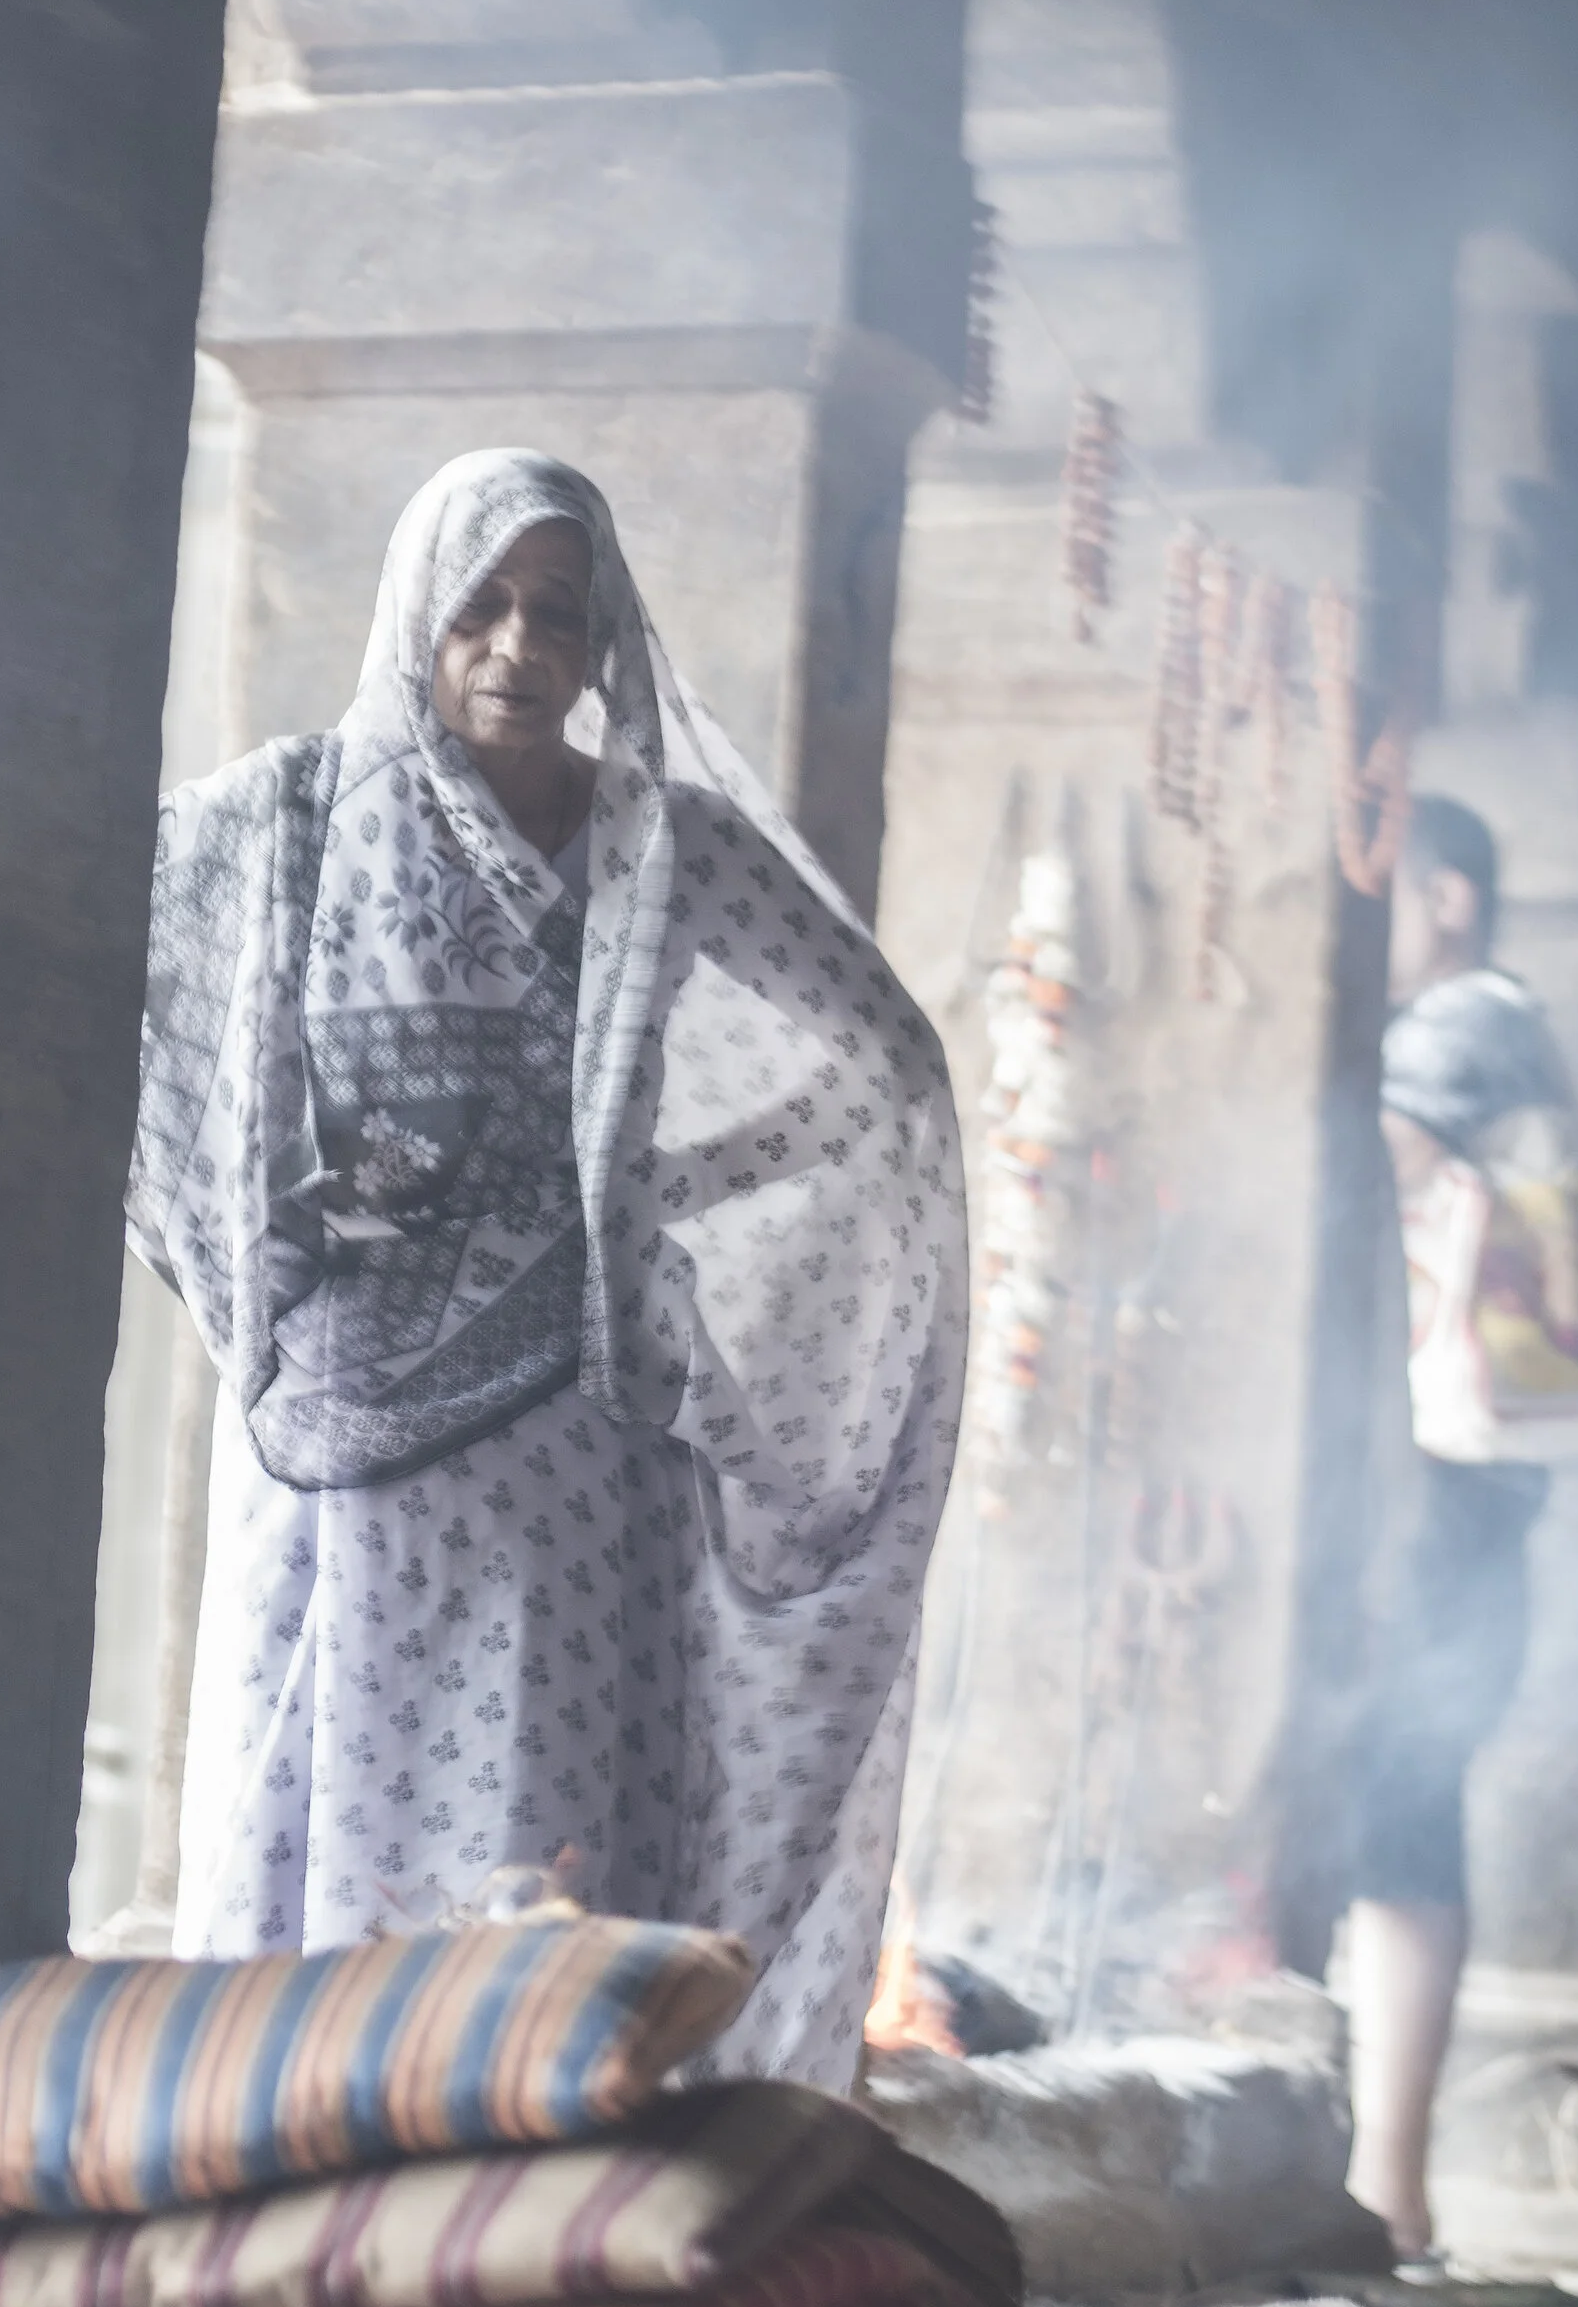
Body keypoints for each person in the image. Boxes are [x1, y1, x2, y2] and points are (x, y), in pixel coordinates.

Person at [128, 446, 967, 2086]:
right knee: (339, 1785)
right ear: (418, 618)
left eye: (559, 615)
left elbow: (886, 1065)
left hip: (584, 1420)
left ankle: (545, 2141)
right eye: (482, 607)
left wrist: (663, 1189)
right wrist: (258, 1227)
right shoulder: (289, 815)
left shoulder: (661, 848)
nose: (518, 647)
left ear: (605, 646)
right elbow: (116, 975)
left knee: (555, 1788)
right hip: (346, 1432)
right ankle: (320, 2131)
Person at [1342, 792, 1578, 2258]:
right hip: (1455, 1492)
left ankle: (1392, 2183)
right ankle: (1388, 2176)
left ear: (1445, 897)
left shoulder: (1473, 1015)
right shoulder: (1494, 1023)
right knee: (1395, 1796)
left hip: (1441, 1492)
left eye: (1380, 892)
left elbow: (1371, 1164)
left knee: (1400, 1790)